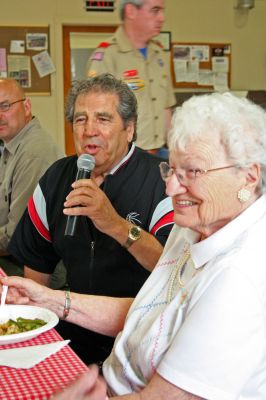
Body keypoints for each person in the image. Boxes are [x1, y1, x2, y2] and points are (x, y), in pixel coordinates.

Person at [3, 91, 266, 399]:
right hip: (108, 377)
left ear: (249, 177)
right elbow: (149, 311)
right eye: (170, 169)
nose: (170, 187)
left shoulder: (242, 275)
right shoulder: (194, 225)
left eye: (192, 171)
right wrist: (48, 300)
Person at [7, 73, 174, 365]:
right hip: (75, 326)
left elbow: (171, 266)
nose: (89, 130)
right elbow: (36, 262)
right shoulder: (57, 177)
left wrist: (115, 224)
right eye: (80, 119)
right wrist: (33, 327)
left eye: (103, 119)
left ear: (130, 129)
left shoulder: (162, 179)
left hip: (143, 333)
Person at [87, 0, 176, 157]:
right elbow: (96, 118)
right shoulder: (107, 55)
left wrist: (176, 150)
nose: (162, 18)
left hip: (161, 153)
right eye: (155, 10)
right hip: (125, 157)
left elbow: (166, 108)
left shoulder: (159, 53)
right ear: (131, 11)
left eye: (162, 11)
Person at [0, 78, 64, 280]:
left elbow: (16, 237)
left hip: (39, 271)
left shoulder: (33, 152)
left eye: (5, 106)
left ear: (26, 106)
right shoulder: (12, 145)